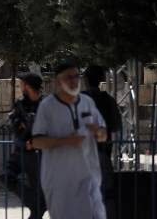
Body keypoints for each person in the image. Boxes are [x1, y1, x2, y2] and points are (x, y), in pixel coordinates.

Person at [31, 61, 107, 219]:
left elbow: (103, 134)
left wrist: (99, 133)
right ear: (58, 81)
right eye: (68, 77)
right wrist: (66, 141)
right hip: (60, 182)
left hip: (88, 177)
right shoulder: (47, 106)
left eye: (76, 77)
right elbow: (37, 141)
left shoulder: (87, 103)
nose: (74, 81)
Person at [82, 65, 122, 218]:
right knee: (106, 194)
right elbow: (116, 125)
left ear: (86, 80)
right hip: (103, 152)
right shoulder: (108, 100)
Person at [7, 72, 47, 219]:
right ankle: (38, 203)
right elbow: (13, 124)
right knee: (6, 177)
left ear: (28, 86)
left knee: (38, 190)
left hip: (38, 154)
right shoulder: (20, 103)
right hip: (21, 150)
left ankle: (39, 205)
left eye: (22, 84)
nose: (20, 86)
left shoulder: (46, 104)